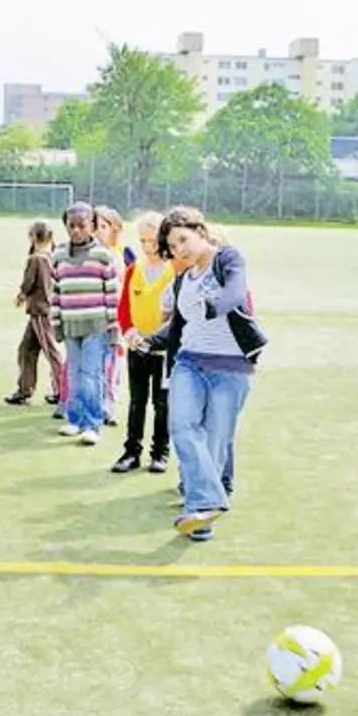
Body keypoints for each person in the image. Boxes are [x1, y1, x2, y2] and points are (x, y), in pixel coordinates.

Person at [132, 206, 266, 541]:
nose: (179, 250)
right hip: (189, 362)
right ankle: (206, 502)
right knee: (182, 428)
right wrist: (147, 342)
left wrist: (212, 306)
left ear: (200, 232)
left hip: (230, 367)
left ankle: (201, 517)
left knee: (215, 443)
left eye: (182, 240)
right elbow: (176, 328)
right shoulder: (182, 280)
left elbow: (234, 294)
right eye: (173, 248)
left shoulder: (227, 259)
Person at [49, 202, 121, 445]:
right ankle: (75, 419)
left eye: (82, 225)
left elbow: (112, 295)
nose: (77, 230)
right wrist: (56, 323)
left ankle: (92, 423)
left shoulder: (102, 254)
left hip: (96, 326)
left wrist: (113, 328)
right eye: (72, 226)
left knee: (91, 374)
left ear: (91, 226)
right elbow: (56, 293)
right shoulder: (58, 255)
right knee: (74, 373)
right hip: (70, 325)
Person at [112, 211, 176, 474]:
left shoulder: (174, 271)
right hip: (137, 347)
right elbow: (123, 309)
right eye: (143, 241)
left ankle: (159, 452)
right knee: (137, 401)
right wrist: (130, 334)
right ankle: (131, 452)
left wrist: (158, 338)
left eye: (153, 240)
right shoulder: (132, 270)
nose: (148, 247)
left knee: (162, 404)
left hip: (164, 350)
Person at [4, 221, 63, 407]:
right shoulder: (52, 256)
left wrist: (21, 296)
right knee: (26, 349)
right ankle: (24, 389)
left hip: (40, 311)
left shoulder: (36, 258)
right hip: (42, 310)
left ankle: (63, 391)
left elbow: (29, 283)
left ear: (33, 237)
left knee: (51, 351)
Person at [93, 205, 127, 428]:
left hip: (114, 318)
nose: (98, 231)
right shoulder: (90, 255)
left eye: (103, 226)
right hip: (93, 317)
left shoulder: (117, 255)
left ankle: (109, 404)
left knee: (113, 363)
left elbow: (122, 289)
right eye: (95, 225)